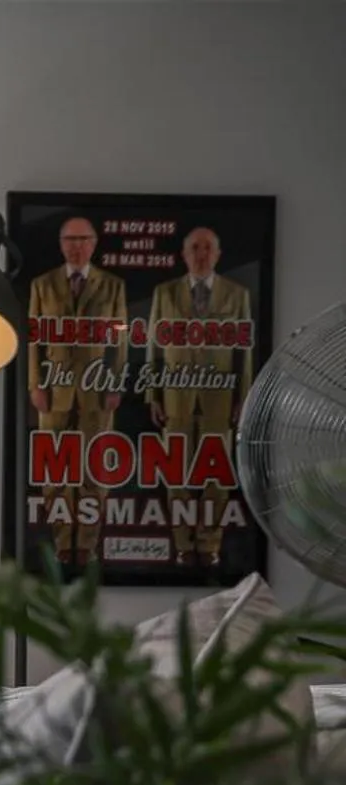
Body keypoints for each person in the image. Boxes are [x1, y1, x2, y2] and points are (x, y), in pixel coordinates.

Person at [147, 226, 255, 567]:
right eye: (195, 247)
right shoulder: (164, 293)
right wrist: (153, 395)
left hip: (219, 400)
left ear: (218, 254)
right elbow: (154, 349)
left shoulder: (237, 295)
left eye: (208, 248)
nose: (201, 254)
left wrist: (245, 397)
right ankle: (182, 545)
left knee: (215, 475)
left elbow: (244, 352)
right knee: (176, 473)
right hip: (175, 398)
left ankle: (208, 546)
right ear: (184, 254)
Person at [26, 216, 128, 565]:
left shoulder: (112, 285)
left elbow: (119, 339)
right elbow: (34, 338)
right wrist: (35, 384)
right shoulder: (42, 284)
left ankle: (85, 545)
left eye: (83, 238)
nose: (76, 245)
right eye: (70, 239)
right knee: (54, 469)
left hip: (97, 387)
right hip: (54, 389)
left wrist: (114, 383)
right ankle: (61, 542)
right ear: (60, 243)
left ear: (94, 243)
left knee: (93, 469)